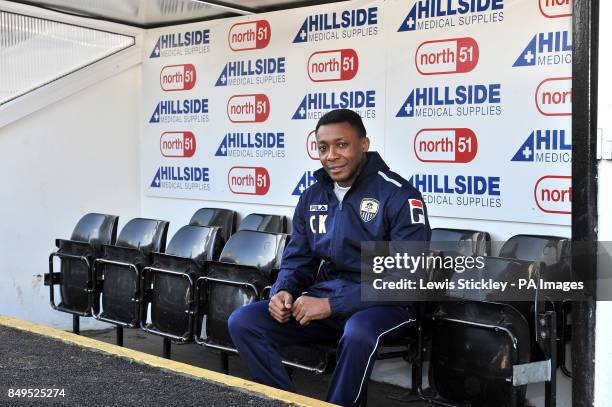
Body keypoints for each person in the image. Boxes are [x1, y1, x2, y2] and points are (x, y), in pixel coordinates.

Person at [228, 109, 431, 406]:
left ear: (364, 144)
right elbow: (298, 259)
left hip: (389, 306)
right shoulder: (312, 196)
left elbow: (406, 280)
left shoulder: (398, 195)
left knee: (359, 330)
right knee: (244, 321)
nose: (331, 155)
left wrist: (330, 304)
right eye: (323, 147)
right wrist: (283, 290)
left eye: (341, 145)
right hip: (328, 300)